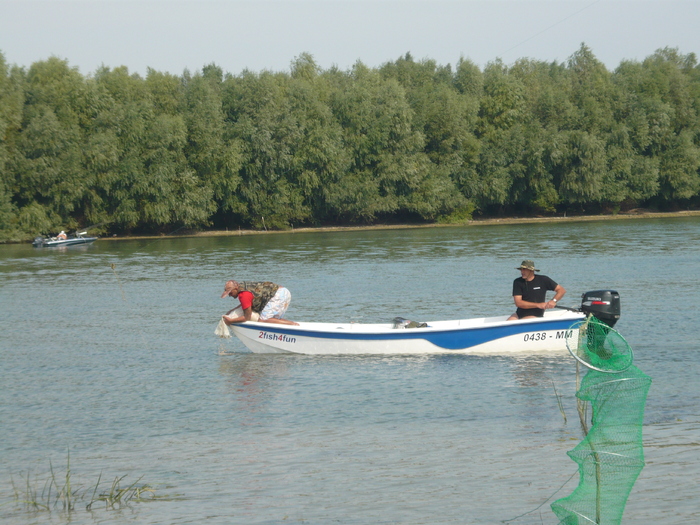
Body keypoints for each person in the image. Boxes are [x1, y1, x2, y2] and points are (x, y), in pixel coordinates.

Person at [221, 280, 298, 326]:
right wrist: (230, 312)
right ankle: (293, 325)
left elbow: (247, 317)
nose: (230, 295)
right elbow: (245, 305)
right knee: (273, 319)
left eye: (230, 293)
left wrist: (231, 321)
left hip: (278, 295)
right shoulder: (243, 288)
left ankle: (292, 324)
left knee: (263, 320)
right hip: (284, 292)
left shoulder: (243, 295)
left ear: (236, 288)